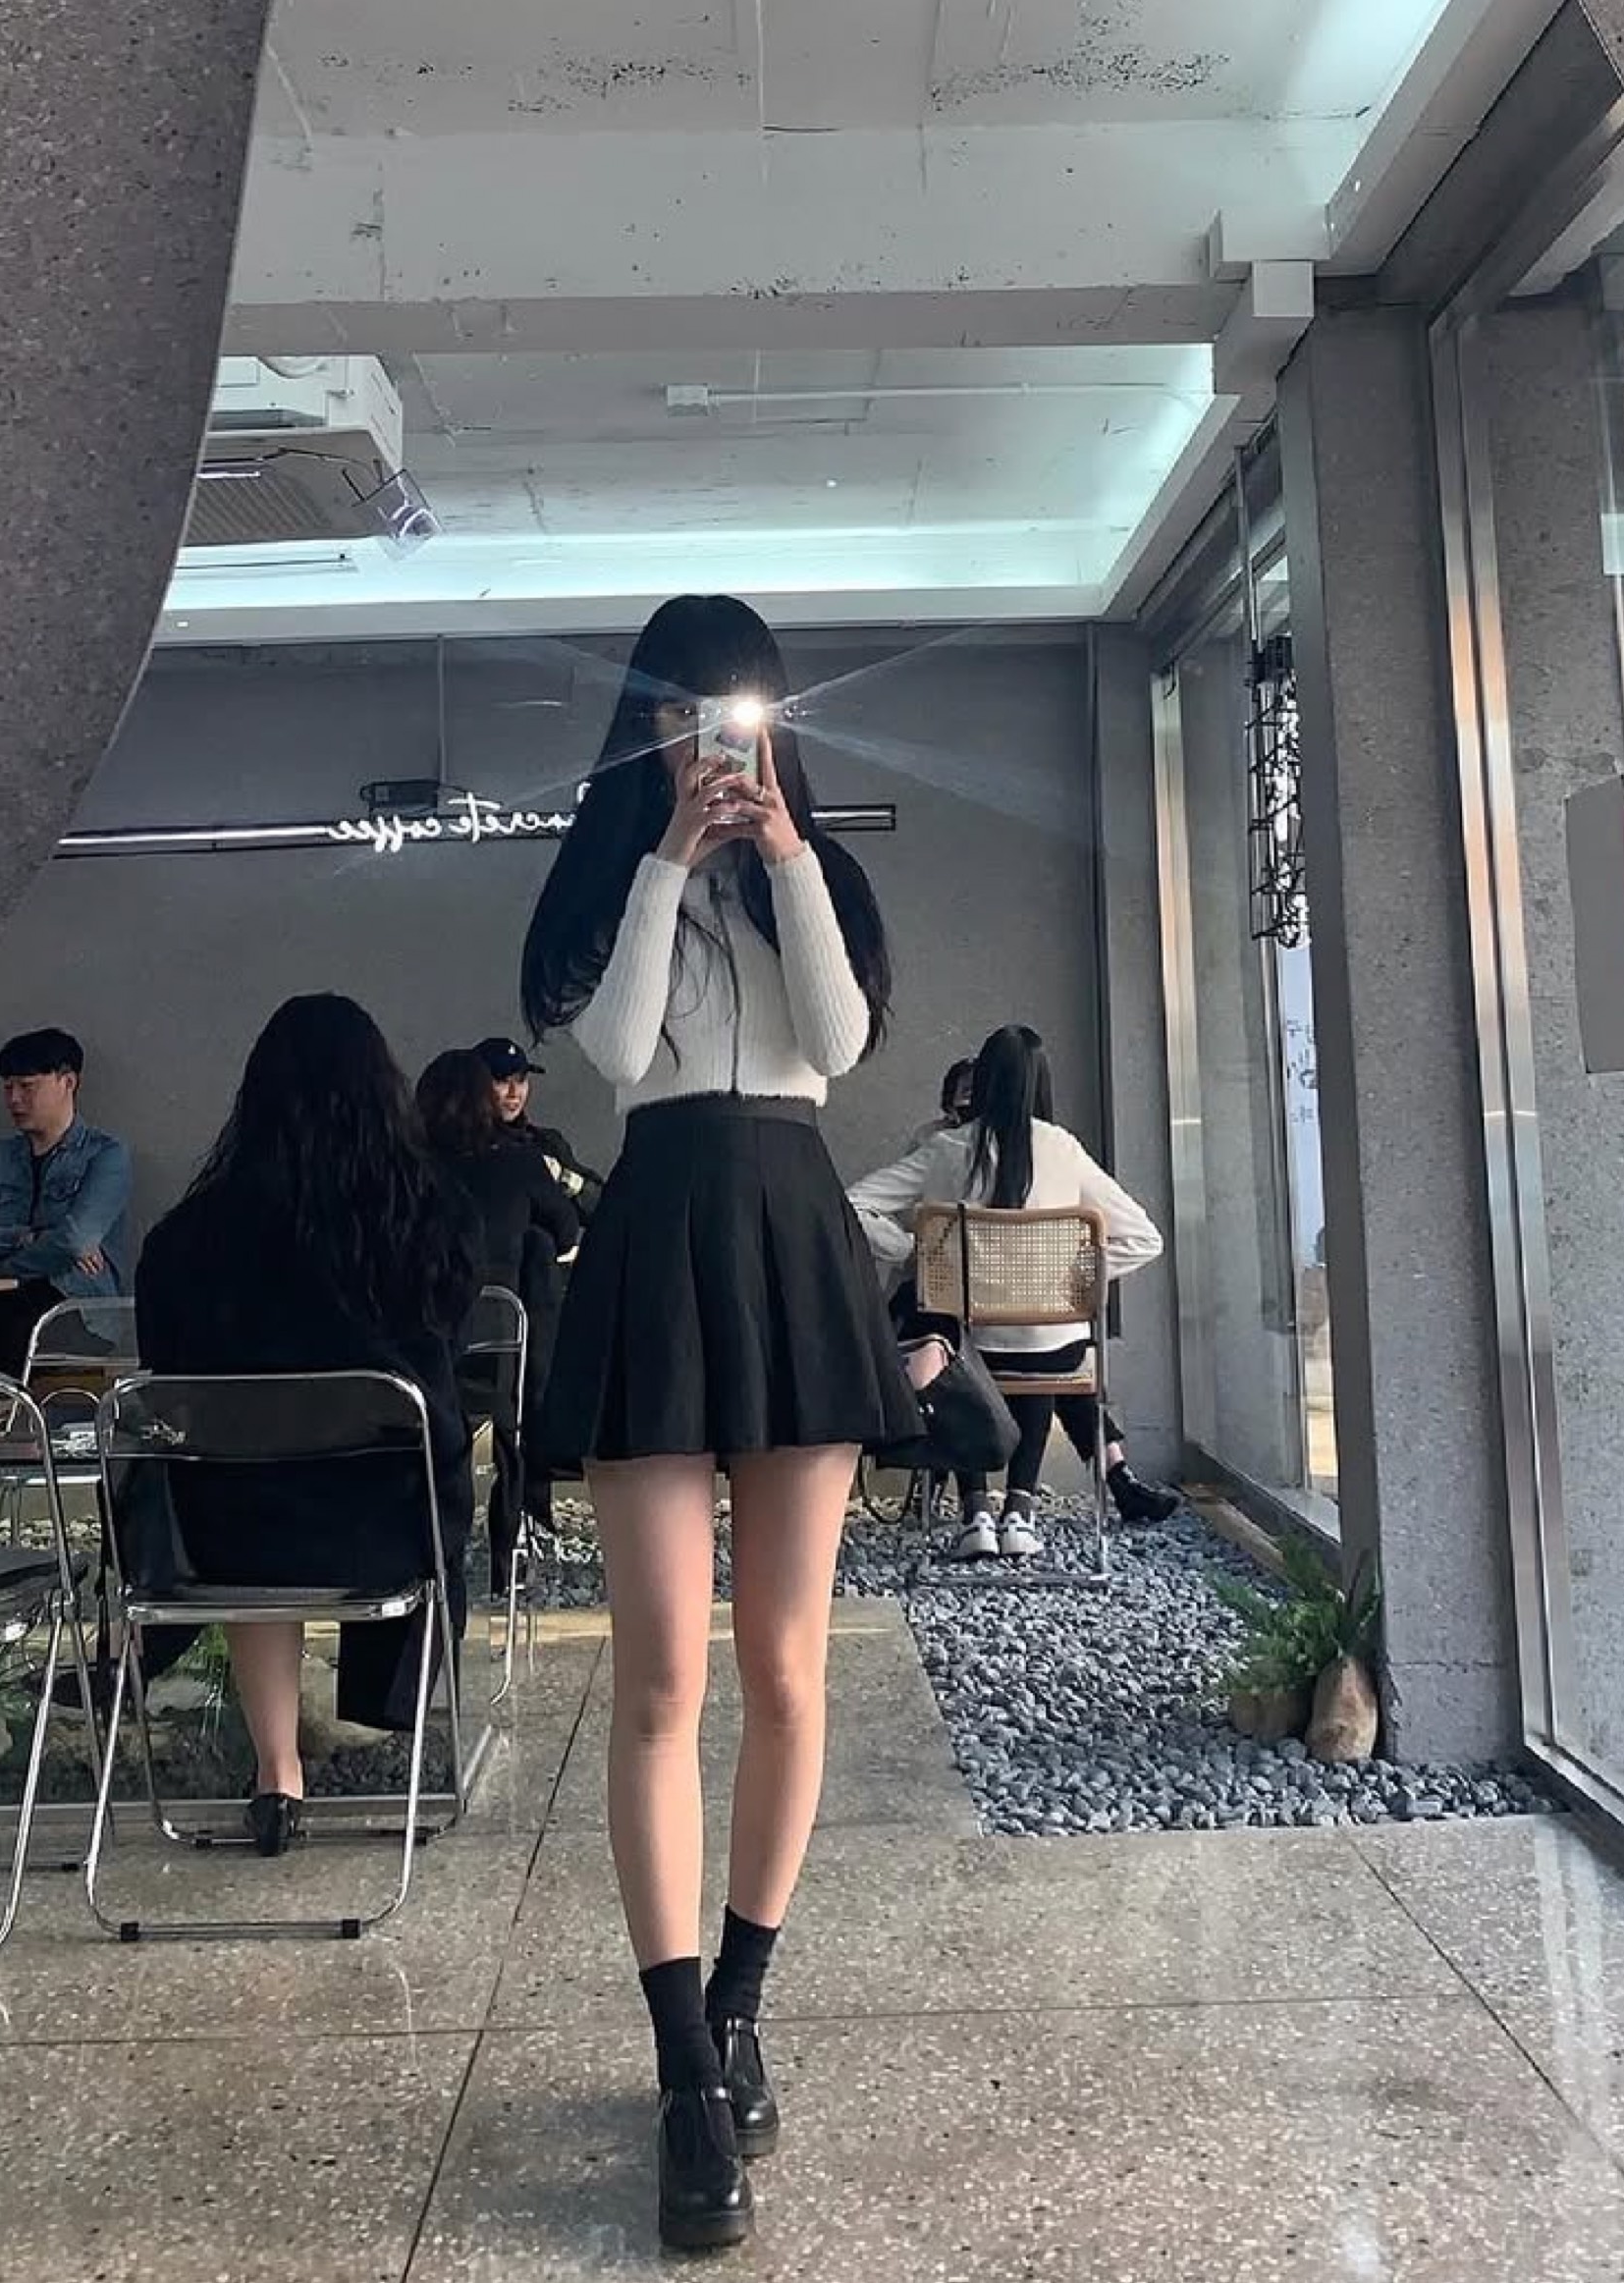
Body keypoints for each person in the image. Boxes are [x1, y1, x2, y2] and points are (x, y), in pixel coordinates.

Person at [524, 592, 912, 2253]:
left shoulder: (818, 879)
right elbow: (616, 1049)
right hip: (659, 1225)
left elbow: (837, 1038)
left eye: (733, 711)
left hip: (791, 1228)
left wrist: (785, 857)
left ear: (774, 720)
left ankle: (741, 1999)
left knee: (787, 1665)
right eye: (680, 712)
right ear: (644, 726)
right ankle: (684, 2059)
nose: (709, 742)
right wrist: (667, 857)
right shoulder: (612, 880)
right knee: (660, 1678)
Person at [135, 996, 478, 1855]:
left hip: (224, 1539)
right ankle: (389, 1710)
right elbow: (446, 1351)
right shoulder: (423, 1216)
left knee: (251, 1518)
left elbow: (165, 1385)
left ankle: (277, 1773)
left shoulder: (184, 1239)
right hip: (382, 1534)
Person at [848, 1023, 1172, 1557]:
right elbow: (1144, 1238)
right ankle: (1020, 1514)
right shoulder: (1063, 1149)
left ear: (984, 1083)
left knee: (958, 1337)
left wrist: (912, 1251)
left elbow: (851, 1205)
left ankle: (975, 1513)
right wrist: (1068, 1278)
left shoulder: (947, 1149)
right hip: (1054, 1355)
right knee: (1038, 1338)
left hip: (965, 1352)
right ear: (1041, 1083)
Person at [417, 1045, 579, 1556]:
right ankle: (517, 1525)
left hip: (423, 1351)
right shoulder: (522, 1160)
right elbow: (567, 1227)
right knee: (536, 1252)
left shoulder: (409, 1170)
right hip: (502, 1356)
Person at [0, 1028, 133, 1367]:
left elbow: (75, 1239)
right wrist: (32, 1237)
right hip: (0, 1302)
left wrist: (1, 1267)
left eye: (27, 1087)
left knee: (6, 1329)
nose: (14, 1100)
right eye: (8, 1088)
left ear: (68, 1082)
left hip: (75, 1306)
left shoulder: (106, 1155)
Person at [475, 1034, 605, 1223]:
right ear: (476, 1084)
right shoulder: (460, 1145)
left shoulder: (545, 1142)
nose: (514, 1093)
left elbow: (604, 1209)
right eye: (502, 1080)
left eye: (520, 1080)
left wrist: (563, 1178)